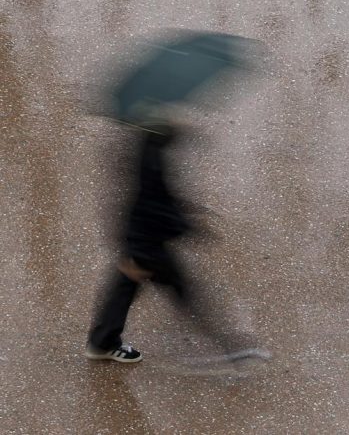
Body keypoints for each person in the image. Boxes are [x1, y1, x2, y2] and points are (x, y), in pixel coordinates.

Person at [86, 112, 269, 363]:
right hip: (147, 242)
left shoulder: (147, 146)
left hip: (139, 238)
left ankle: (102, 342)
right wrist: (185, 226)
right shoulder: (151, 158)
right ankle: (231, 347)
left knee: (125, 288)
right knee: (185, 290)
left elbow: (151, 195)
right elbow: (152, 201)